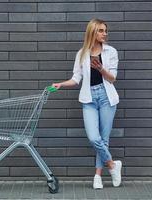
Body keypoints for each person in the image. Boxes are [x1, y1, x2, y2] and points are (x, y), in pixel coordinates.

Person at [52, 19, 122, 189]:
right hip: (89, 99)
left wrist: (100, 68)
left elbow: (112, 78)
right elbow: (76, 78)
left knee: (103, 139)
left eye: (105, 30)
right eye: (101, 30)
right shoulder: (82, 53)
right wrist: (61, 84)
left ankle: (97, 176)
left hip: (107, 97)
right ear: (92, 32)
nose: (105, 33)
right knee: (94, 138)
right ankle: (113, 165)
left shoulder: (111, 51)